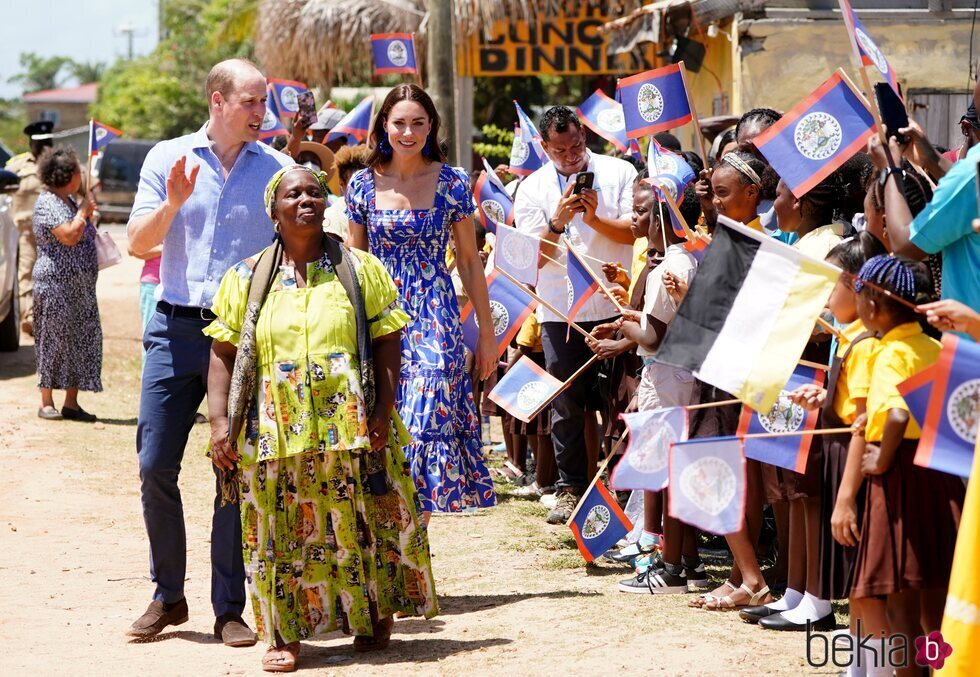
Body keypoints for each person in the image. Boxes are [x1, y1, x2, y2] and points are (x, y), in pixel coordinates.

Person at [205, 165, 436, 672]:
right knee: (280, 529)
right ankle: (286, 635)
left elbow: (386, 341)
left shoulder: (359, 268)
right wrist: (220, 422)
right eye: (294, 194)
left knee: (364, 518)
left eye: (314, 191)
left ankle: (372, 614)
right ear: (274, 210)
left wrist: (381, 410)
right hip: (275, 425)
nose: (306, 199)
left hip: (351, 419)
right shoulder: (245, 277)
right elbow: (224, 351)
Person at [125, 58, 292, 644]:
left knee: (231, 470)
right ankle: (169, 596)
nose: (260, 112)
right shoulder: (166, 158)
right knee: (153, 464)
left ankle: (229, 607)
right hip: (173, 328)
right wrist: (171, 204)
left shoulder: (278, 169)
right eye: (250, 101)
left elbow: (298, 248)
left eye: (263, 100)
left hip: (244, 339)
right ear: (216, 100)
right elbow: (135, 244)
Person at [345, 83, 497, 519]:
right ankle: (399, 550)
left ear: (431, 127)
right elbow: (356, 263)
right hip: (379, 312)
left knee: (424, 420)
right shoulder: (361, 185)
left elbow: (469, 261)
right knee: (386, 421)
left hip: (435, 313)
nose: (408, 133)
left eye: (418, 123)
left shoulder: (452, 182)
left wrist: (486, 334)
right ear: (384, 127)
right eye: (399, 123)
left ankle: (416, 540)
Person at [513, 105, 637, 524]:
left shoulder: (619, 172)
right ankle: (570, 488)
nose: (572, 156)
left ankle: (621, 488)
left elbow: (635, 230)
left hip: (616, 304)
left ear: (586, 136)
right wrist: (557, 222)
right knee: (566, 402)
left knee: (618, 399)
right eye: (561, 150)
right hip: (559, 309)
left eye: (577, 145)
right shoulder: (531, 189)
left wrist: (594, 216)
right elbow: (531, 260)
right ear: (544, 147)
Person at [848, 255, 964, 672]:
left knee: (901, 605)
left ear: (873, 306)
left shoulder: (889, 351)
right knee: (934, 600)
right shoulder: (933, 345)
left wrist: (880, 457)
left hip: (901, 477)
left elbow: (897, 414)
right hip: (940, 474)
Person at [613, 184, 710, 594]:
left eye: (643, 211)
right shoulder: (686, 259)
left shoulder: (668, 266)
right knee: (677, 466)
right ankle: (688, 562)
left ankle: (668, 568)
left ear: (660, 219)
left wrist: (624, 321)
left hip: (666, 374)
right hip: (680, 373)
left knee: (667, 471)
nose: (636, 218)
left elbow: (652, 337)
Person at [868, 132, 980, 325]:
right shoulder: (971, 168)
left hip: (968, 345)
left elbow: (905, 245)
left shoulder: (973, 168)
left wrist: (890, 170)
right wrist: (930, 158)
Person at [31, 145, 101, 421]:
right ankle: (46, 401)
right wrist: (83, 214)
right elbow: (69, 236)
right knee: (53, 341)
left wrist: (85, 212)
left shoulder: (68, 201)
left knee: (80, 340)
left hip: (80, 286)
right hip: (55, 286)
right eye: (77, 171)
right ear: (67, 175)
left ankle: (71, 402)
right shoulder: (48, 202)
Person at [5, 120, 53, 337]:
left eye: (47, 142)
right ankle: (31, 318)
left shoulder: (59, 164)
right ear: (30, 144)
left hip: (56, 233)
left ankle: (51, 318)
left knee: (54, 276)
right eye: (38, 143)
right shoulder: (18, 166)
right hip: (26, 231)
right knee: (27, 274)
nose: (43, 146)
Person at [323, 143, 370, 243]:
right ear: (342, 184)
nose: (361, 192)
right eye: (355, 186)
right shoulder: (333, 218)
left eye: (367, 183)